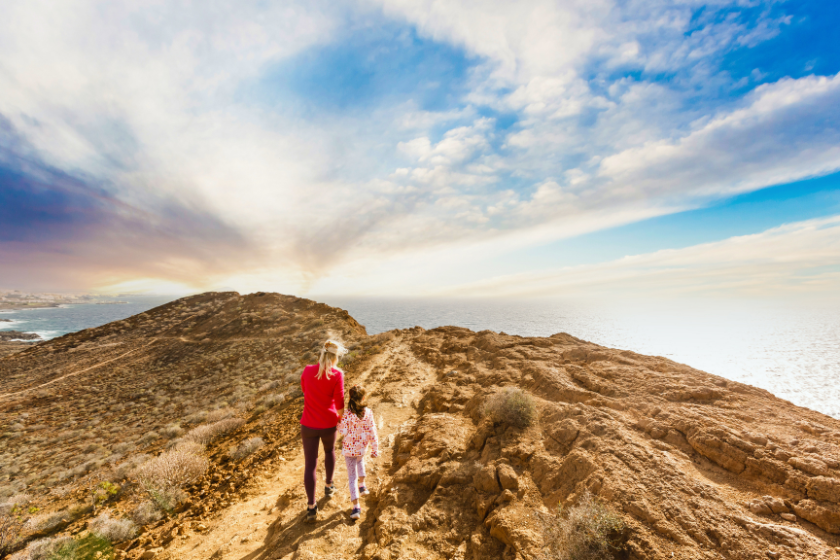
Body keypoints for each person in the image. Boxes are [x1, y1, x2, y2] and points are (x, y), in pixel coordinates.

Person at [300, 339, 346, 523]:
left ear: (322, 354)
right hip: (328, 424)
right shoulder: (337, 374)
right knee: (329, 451)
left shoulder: (307, 370)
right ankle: (329, 486)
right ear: (335, 357)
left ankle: (311, 507)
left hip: (308, 424)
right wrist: (341, 419)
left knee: (310, 464)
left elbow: (305, 391)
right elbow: (340, 402)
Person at [337, 384, 379, 520]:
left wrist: (338, 423)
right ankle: (363, 486)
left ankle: (356, 508)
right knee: (360, 461)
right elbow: (373, 431)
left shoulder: (347, 414)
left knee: (351, 477)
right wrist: (375, 448)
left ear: (350, 398)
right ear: (364, 397)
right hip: (362, 447)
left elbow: (342, 431)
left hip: (349, 450)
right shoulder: (368, 413)